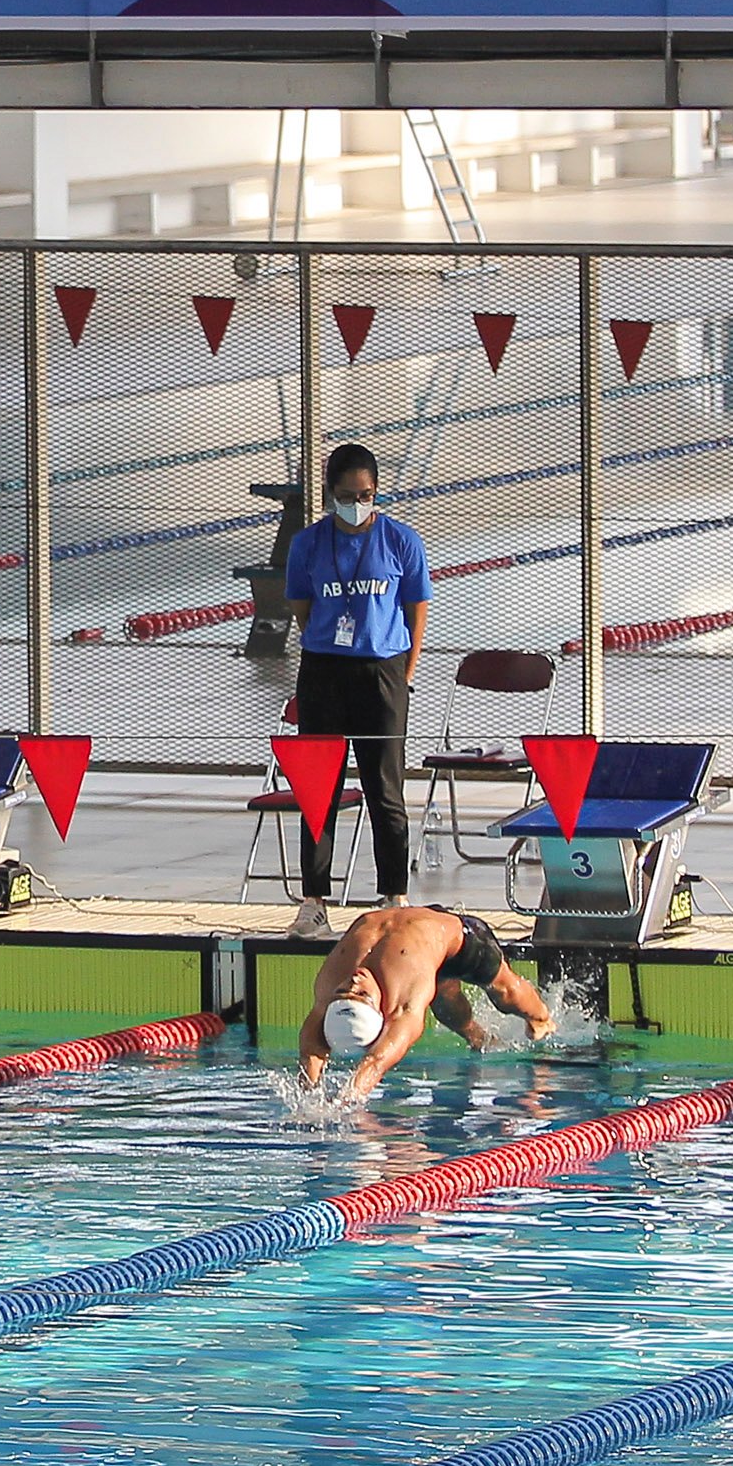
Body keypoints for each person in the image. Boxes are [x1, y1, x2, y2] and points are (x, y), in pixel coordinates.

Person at [279, 441, 435, 934]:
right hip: (325, 671)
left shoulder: (401, 541)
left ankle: (393, 893)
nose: (357, 503)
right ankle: (314, 901)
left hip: (382, 671)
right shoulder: (308, 544)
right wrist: (328, 645)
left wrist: (405, 674)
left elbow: (417, 610)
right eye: (347, 495)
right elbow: (301, 610)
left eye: (366, 494)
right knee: (317, 790)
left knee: (384, 789)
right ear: (330, 494)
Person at [296, 901, 552, 1101]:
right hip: (424, 939)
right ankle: (478, 1037)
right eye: (362, 994)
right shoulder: (404, 999)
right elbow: (375, 1061)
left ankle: (543, 1019)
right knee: (442, 1002)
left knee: (505, 994)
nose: (353, 982)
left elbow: (315, 1050)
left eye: (343, 992)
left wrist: (331, 1096)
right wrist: (333, 1101)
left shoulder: (328, 985)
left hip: (459, 934)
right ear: (382, 1012)